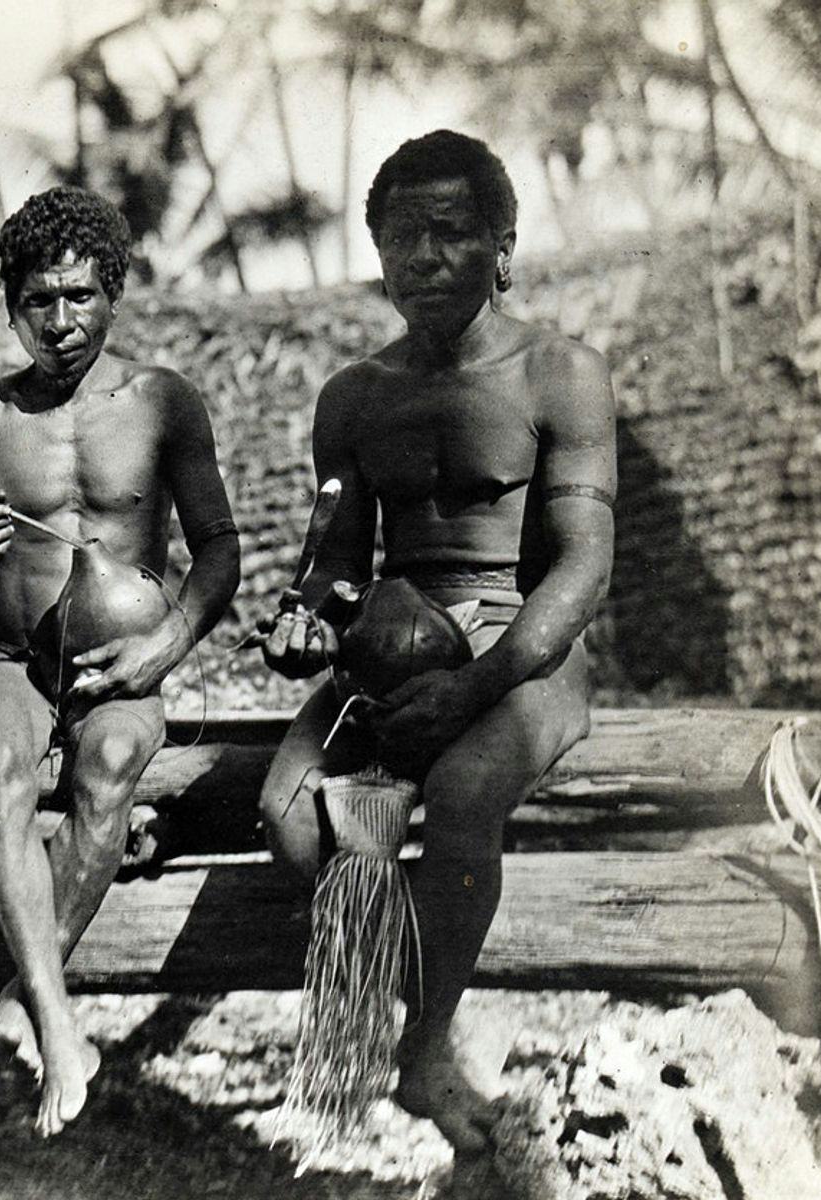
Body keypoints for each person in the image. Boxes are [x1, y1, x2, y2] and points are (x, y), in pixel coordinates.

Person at [255, 129, 615, 1153]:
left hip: (523, 643)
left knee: (459, 794)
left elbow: (582, 565)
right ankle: (400, 1007)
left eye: (450, 234)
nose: (421, 258)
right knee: (287, 817)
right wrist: (304, 619)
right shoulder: (353, 397)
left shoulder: (560, 373)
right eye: (398, 237)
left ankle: (425, 1047)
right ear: (374, 254)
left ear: (502, 246)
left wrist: (476, 689)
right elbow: (332, 560)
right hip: (394, 641)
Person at [0, 186, 240, 1136]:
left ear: (112, 294)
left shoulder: (160, 402)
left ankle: (24, 1000)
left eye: (79, 297)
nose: (61, 323)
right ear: (12, 306)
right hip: (13, 661)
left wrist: (164, 649)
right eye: (39, 302)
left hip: (128, 655)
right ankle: (60, 1027)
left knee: (111, 766)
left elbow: (221, 551)